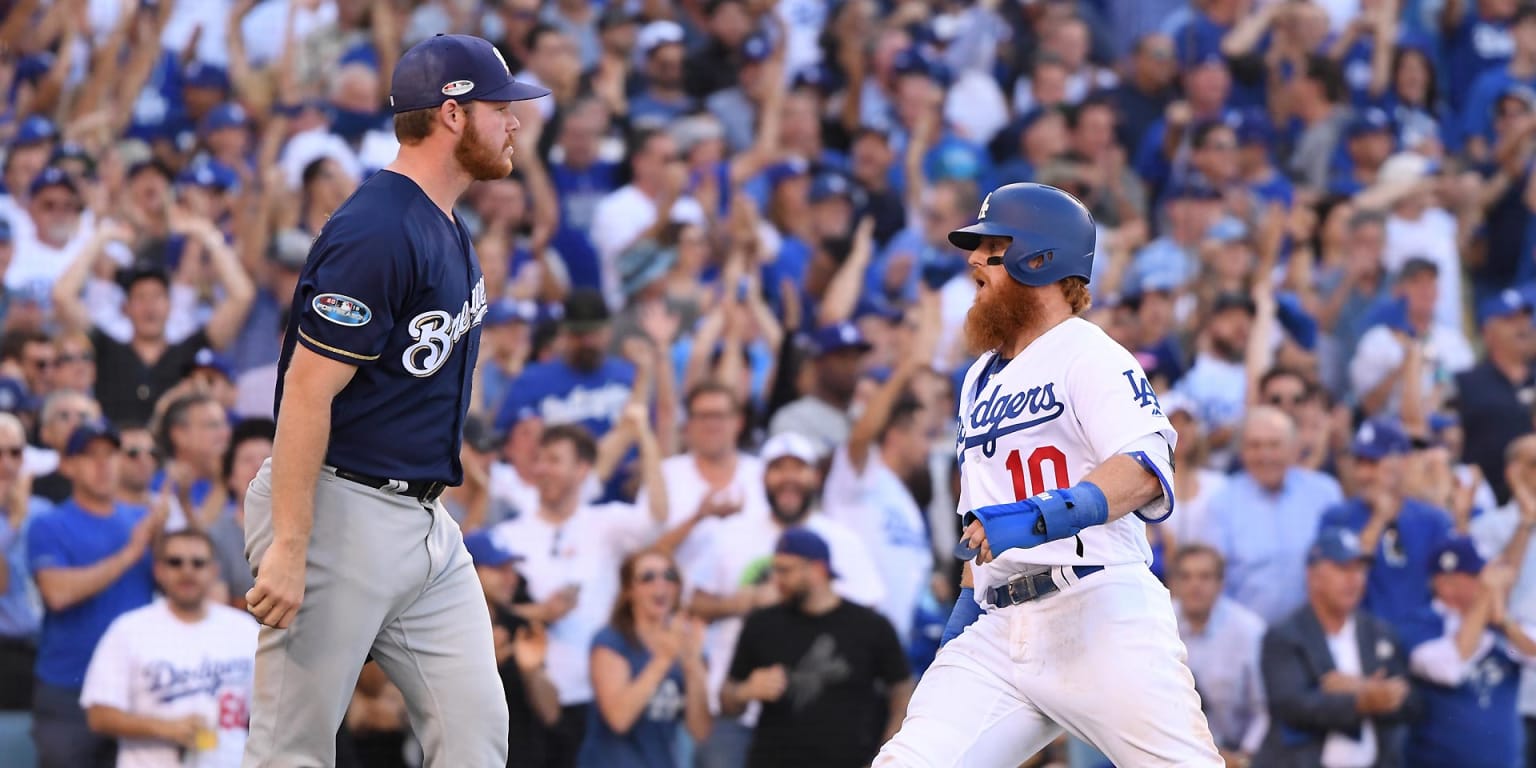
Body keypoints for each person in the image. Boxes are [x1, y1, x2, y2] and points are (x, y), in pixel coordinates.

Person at [240, 34, 550, 767]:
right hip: (336, 510)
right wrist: (289, 544)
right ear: (452, 114)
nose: (514, 123)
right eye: (501, 108)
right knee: (292, 751)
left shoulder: (442, 219)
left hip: (423, 523)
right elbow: (307, 393)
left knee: (477, 735)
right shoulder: (377, 229)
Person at [875, 182, 1221, 764]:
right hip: (997, 623)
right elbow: (978, 523)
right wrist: (962, 627)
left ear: (1038, 259)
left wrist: (1043, 516)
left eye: (991, 247)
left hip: (1095, 608)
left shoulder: (1092, 353)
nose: (973, 262)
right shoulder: (978, 377)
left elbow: (1143, 471)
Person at [487, 415, 668, 768]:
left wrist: (644, 434)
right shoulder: (509, 535)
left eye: (554, 459)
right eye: (539, 458)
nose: (542, 468)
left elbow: (658, 517)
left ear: (583, 469)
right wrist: (541, 614)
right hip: (526, 699)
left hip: (595, 698)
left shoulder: (604, 522)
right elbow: (486, 610)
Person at [27, 422, 163, 768]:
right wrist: (131, 553)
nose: (104, 464)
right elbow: (57, 593)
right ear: (68, 465)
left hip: (133, 687)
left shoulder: (143, 520)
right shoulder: (49, 524)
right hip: (69, 691)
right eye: (90, 456)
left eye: (111, 454)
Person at [722, 528, 913, 767]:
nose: (776, 579)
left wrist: (885, 757)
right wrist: (746, 690)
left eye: (785, 570)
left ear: (817, 570)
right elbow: (727, 700)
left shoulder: (871, 626)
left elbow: (903, 693)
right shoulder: (761, 623)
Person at [79, 529, 258, 768]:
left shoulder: (244, 629)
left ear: (214, 572)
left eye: (198, 563)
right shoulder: (128, 629)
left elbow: (271, 711)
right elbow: (99, 715)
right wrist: (166, 728)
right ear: (159, 571)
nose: (187, 571)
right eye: (175, 562)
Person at [1255, 527, 1420, 767]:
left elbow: (1412, 702)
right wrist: (1364, 700)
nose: (1354, 579)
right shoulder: (1285, 635)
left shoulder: (1378, 632)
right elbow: (1292, 705)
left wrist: (1358, 688)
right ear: (1314, 576)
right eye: (1343, 569)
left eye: (1360, 569)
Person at [1403, 536, 1536, 767]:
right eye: (1477, 577)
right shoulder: (1421, 623)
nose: (1489, 585)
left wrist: (1504, 621)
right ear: (1444, 583)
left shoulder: (1501, 623)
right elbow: (1449, 670)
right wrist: (1484, 601)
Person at [1209, 407, 1346, 624]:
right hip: (1249, 637)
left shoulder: (1325, 492)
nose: (1265, 455)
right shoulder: (1221, 501)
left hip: (1316, 636)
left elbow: (1342, 564)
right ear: (1241, 452)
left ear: (1293, 449)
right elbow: (1214, 578)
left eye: (1274, 445)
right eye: (1255, 445)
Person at [579, 549, 710, 767]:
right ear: (629, 590)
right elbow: (619, 719)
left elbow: (700, 731)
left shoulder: (686, 643)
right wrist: (663, 659)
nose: (661, 584)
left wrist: (693, 666)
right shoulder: (610, 641)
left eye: (669, 576)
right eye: (648, 577)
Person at [462, 529, 561, 765]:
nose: (511, 578)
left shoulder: (521, 627)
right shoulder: (443, 628)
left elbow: (551, 714)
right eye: (499, 569)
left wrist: (532, 672)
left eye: (511, 569)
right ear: (469, 570)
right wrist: (487, 665)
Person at [1168, 544, 1269, 765]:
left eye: (1205, 577)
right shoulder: (1158, 623)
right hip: (1171, 751)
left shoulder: (1249, 631)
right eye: (1186, 577)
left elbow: (1263, 711)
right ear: (1173, 584)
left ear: (1221, 583)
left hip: (1235, 752)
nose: (1195, 585)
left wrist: (1243, 757)